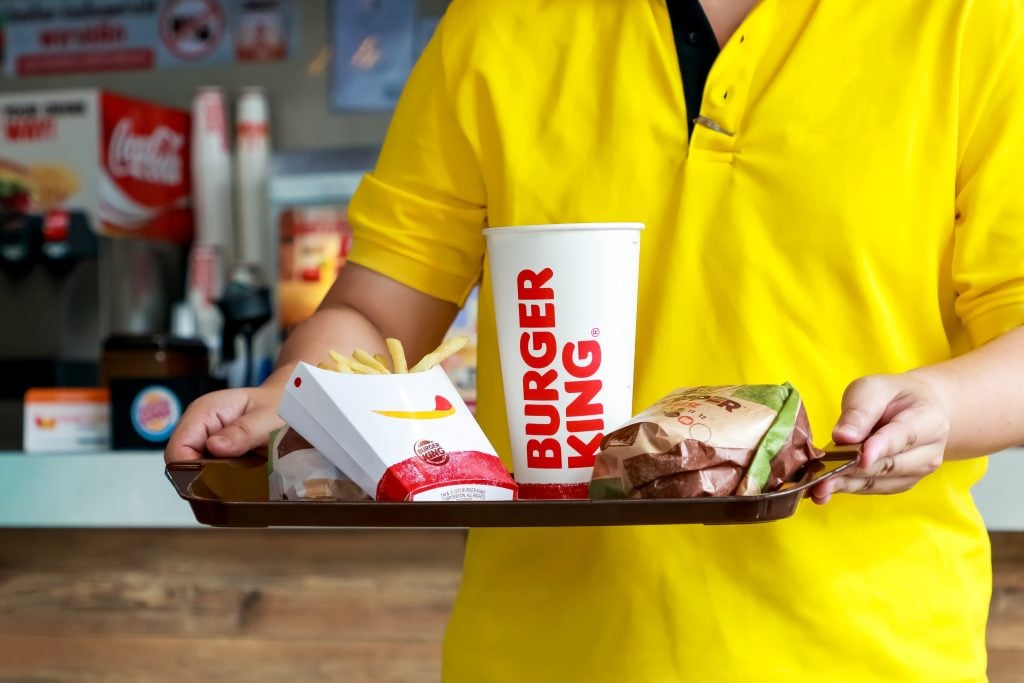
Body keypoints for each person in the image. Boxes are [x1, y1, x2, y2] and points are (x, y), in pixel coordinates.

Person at [166, 1, 1024, 680]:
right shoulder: (497, 22)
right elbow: (378, 313)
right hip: (541, 656)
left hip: (870, 659)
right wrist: (294, 391)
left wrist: (942, 405)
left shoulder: (978, 19)